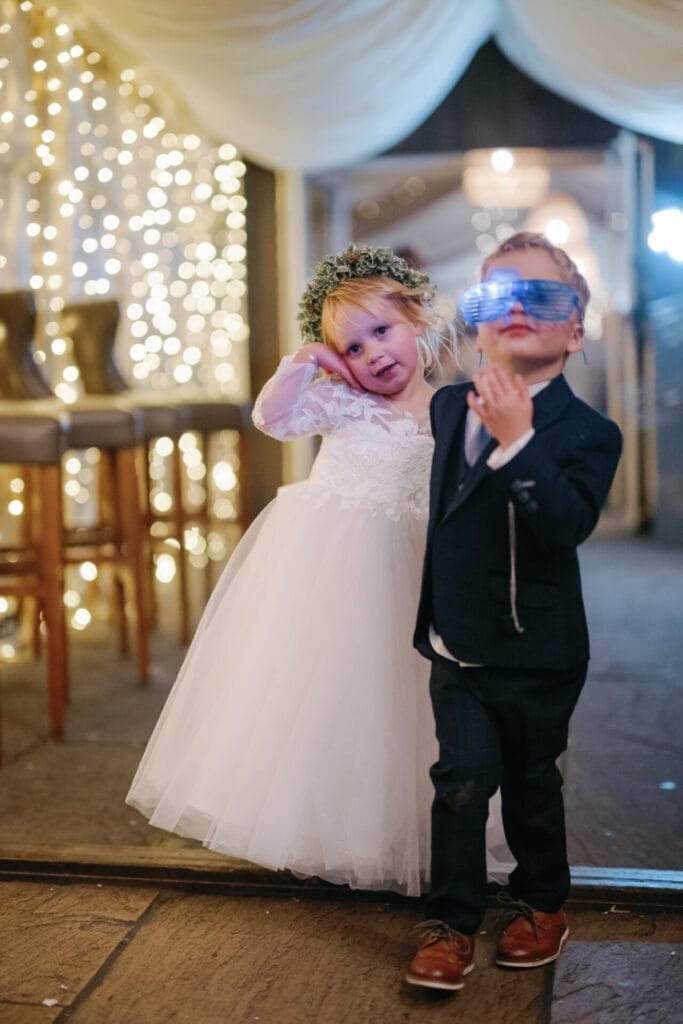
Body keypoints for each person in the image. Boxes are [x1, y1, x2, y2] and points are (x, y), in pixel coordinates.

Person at [127, 244, 502, 896]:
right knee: (321, 693)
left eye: (381, 332)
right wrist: (305, 363)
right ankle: (314, 827)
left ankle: (392, 830)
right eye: (351, 349)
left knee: (401, 700)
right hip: (331, 564)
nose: (372, 355)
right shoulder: (338, 402)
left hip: (411, 569)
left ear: (417, 321)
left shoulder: (447, 409)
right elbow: (272, 418)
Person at [406, 232, 623, 990]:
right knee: (459, 779)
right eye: (497, 296)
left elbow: (564, 525)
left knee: (533, 781)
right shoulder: (443, 409)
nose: (518, 309)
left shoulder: (590, 434)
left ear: (575, 329)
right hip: (458, 642)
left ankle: (541, 903)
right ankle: (451, 920)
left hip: (539, 650)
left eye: (545, 297)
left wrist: (518, 441)